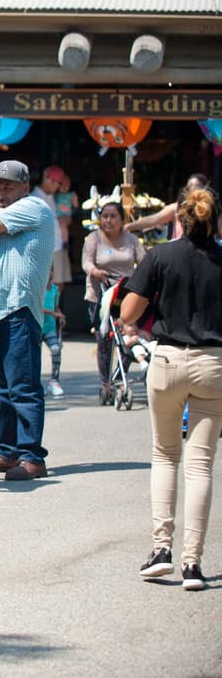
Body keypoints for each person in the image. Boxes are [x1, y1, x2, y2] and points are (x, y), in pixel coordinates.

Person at [120, 185, 222, 592]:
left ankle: (161, 550)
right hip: (214, 363)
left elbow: (129, 311)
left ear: (180, 218)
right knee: (201, 466)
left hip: (167, 361)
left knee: (165, 455)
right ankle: (193, 564)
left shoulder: (161, 255)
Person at [0, 159, 56, 482]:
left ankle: (32, 456)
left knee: (23, 388)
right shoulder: (7, 221)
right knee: (2, 390)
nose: (1, 192)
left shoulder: (34, 207)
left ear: (24, 187)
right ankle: (8, 451)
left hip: (17, 311)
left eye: (8, 186)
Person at [81, 200, 145, 401]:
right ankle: (105, 382)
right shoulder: (93, 238)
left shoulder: (132, 240)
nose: (107, 220)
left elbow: (144, 263)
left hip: (126, 293)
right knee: (105, 338)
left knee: (125, 336)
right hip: (101, 294)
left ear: (122, 220)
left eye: (113, 216)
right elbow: (86, 262)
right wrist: (95, 271)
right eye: (104, 216)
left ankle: (120, 375)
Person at [126, 173, 210, 239]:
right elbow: (154, 219)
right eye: (189, 187)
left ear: (205, 189)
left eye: (196, 187)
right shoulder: (176, 208)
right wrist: (128, 226)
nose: (192, 190)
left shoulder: (212, 210)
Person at [31, 166, 68, 297]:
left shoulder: (54, 197)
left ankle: (55, 313)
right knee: (44, 284)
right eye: (57, 183)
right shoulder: (33, 199)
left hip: (58, 246)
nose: (58, 186)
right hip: (43, 249)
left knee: (59, 284)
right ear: (48, 180)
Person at [41, 274, 66, 399]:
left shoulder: (55, 289)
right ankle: (36, 383)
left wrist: (60, 316)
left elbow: (56, 307)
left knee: (56, 349)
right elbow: (38, 307)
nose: (49, 274)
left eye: (51, 271)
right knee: (34, 356)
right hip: (37, 326)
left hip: (50, 327)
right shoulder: (38, 288)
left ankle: (54, 380)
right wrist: (53, 313)